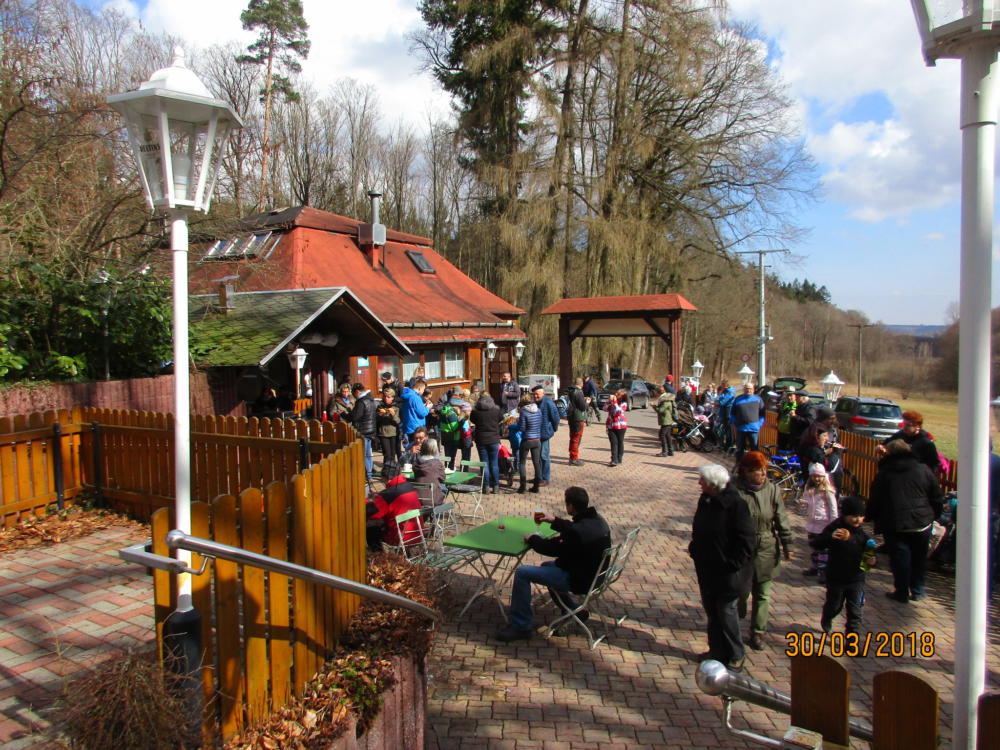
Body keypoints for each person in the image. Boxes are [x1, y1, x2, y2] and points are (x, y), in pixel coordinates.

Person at [496, 486, 611, 642]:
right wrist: (555, 521)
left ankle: (521, 626)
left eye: (566, 503)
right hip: (595, 573)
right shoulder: (597, 520)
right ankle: (572, 610)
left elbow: (552, 548)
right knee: (546, 567)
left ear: (571, 505)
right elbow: (574, 529)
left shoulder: (577, 532)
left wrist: (532, 539)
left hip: (579, 579)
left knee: (522, 573)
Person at [689, 463, 756, 671]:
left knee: (727, 612)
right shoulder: (706, 499)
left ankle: (736, 655)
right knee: (712, 612)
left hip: (728, 573)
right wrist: (695, 546)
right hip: (706, 567)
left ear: (713, 484)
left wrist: (732, 565)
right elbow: (699, 526)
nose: (699, 483)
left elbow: (746, 541)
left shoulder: (736, 505)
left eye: (702, 480)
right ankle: (716, 651)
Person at [867, 439, 943, 603]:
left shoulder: (885, 473)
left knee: (900, 559)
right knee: (919, 557)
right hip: (922, 522)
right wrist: (934, 515)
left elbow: (875, 498)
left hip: (895, 523)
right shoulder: (923, 469)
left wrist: (869, 516)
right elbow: (936, 494)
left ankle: (901, 591)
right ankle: (918, 589)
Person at [734, 451, 793, 651]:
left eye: (764, 470)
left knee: (763, 593)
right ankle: (737, 615)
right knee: (741, 591)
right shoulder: (735, 490)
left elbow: (781, 518)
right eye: (758, 471)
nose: (762, 474)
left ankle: (758, 632)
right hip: (742, 545)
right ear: (747, 472)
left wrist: (787, 544)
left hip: (767, 545)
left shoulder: (773, 490)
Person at [811, 497, 873, 634]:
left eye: (861, 516)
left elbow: (868, 555)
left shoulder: (862, 535)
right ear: (845, 515)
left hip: (857, 579)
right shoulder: (835, 527)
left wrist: (872, 560)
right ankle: (827, 616)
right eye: (854, 516)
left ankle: (852, 641)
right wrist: (830, 537)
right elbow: (816, 543)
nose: (858, 520)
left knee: (855, 611)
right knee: (834, 606)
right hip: (836, 577)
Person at [799, 463, 838, 580]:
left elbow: (833, 508)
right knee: (813, 547)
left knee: (823, 550)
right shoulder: (809, 489)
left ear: (823, 476)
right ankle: (815, 567)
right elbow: (805, 505)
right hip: (812, 523)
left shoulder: (827, 491)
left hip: (824, 524)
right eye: (814, 476)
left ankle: (823, 571)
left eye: (819, 476)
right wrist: (803, 504)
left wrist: (833, 524)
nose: (817, 478)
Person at [366, 474, 423, 551]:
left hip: (400, 537)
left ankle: (379, 557)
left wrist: (365, 500)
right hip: (418, 534)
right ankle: (405, 553)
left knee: (371, 528)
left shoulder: (388, 495)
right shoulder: (409, 486)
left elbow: (373, 513)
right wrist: (379, 496)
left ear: (385, 478)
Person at [876, 410, 940, 475]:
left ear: (917, 426)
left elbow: (934, 465)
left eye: (908, 425)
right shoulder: (900, 434)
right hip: (895, 473)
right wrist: (880, 448)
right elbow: (885, 444)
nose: (904, 427)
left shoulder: (925, 442)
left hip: (914, 476)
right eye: (904, 424)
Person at [471, 391, 502, 493]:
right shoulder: (496, 410)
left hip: (481, 439)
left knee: (484, 463)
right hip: (494, 439)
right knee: (494, 463)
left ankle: (486, 487)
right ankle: (496, 486)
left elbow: (473, 420)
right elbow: (500, 419)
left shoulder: (475, 411)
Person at [532, 385, 560, 486]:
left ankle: (545, 478)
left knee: (544, 456)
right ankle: (538, 477)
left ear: (542, 394)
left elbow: (556, 417)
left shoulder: (548, 403)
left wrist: (552, 429)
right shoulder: (534, 403)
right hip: (535, 434)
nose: (535, 396)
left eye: (537, 394)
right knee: (537, 457)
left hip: (544, 434)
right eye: (534, 394)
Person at [730, 383, 765, 458]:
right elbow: (732, 413)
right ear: (744, 389)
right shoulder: (738, 399)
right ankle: (739, 465)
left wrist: (759, 424)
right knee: (739, 450)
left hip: (753, 429)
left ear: (753, 390)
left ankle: (754, 467)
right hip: (741, 429)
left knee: (754, 450)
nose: (748, 390)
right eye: (746, 388)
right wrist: (736, 423)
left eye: (750, 388)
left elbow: (762, 414)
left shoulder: (758, 399)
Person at [350, 383, 377, 481]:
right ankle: (369, 474)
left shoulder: (361, 402)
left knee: (364, 455)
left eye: (353, 394)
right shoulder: (370, 399)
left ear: (357, 392)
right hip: (371, 430)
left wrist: (348, 414)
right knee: (368, 455)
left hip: (363, 431)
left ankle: (367, 475)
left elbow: (356, 417)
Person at [517, 392, 543, 493]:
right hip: (537, 439)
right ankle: (536, 487)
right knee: (536, 463)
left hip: (527, 439)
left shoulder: (523, 412)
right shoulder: (539, 410)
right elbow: (540, 424)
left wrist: (517, 424)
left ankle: (522, 487)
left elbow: (522, 428)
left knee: (522, 463)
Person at [412, 437, 448, 502]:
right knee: (445, 488)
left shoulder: (416, 463)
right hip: (434, 500)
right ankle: (437, 510)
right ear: (434, 449)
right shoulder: (437, 463)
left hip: (417, 500)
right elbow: (443, 479)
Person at [398, 378, 430, 450]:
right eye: (423, 389)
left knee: (411, 446)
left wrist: (423, 406)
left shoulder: (407, 395)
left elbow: (413, 409)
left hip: (408, 426)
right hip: (416, 427)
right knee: (418, 448)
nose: (423, 392)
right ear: (419, 388)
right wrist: (427, 407)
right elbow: (422, 413)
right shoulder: (415, 397)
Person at [376, 389, 401, 478]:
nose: (387, 399)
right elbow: (376, 420)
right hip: (383, 433)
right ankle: (386, 472)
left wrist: (393, 415)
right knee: (387, 454)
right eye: (385, 397)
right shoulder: (380, 406)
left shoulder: (396, 407)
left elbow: (398, 421)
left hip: (393, 433)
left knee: (393, 454)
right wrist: (380, 415)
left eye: (389, 397)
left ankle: (393, 472)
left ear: (393, 398)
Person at [566, 378, 588, 466]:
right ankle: (574, 458)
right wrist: (587, 402)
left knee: (572, 437)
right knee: (576, 438)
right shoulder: (578, 392)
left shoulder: (570, 390)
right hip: (578, 417)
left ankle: (572, 456)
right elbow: (582, 407)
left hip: (571, 416)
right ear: (581, 384)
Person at [604, 388, 628, 467]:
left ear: (622, 396)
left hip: (620, 426)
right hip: (611, 425)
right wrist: (609, 401)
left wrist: (614, 402)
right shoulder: (612, 401)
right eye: (616, 393)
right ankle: (614, 460)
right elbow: (604, 408)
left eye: (618, 394)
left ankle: (619, 458)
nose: (616, 395)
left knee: (620, 442)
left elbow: (618, 412)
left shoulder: (624, 404)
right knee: (613, 443)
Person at [654, 387, 677, 457]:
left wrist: (653, 406)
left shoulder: (665, 399)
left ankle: (665, 452)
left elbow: (661, 410)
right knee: (667, 435)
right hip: (667, 420)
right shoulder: (666, 397)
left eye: (656, 392)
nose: (655, 394)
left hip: (666, 420)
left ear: (659, 392)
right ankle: (670, 451)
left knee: (662, 435)